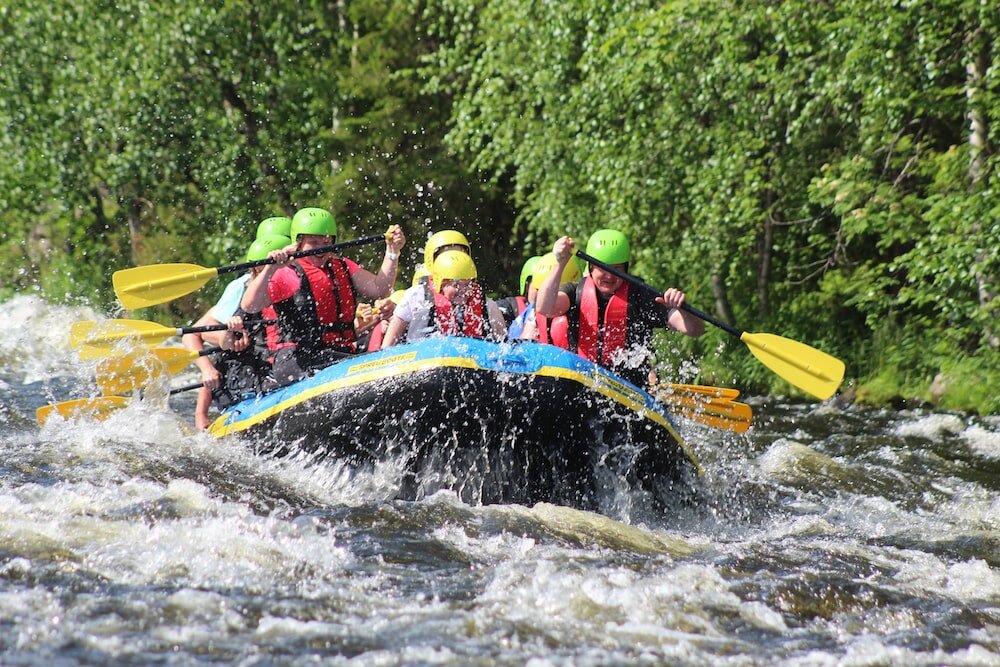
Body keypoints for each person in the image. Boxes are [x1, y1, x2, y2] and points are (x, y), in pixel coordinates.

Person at [240, 207, 405, 387]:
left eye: (326, 242)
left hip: (338, 352)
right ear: (299, 243)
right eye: (314, 242)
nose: (321, 249)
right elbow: (250, 305)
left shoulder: (343, 266)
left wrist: (392, 252)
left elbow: (380, 289)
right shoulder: (287, 272)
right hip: (297, 357)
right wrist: (271, 268)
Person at [534, 229, 704, 386]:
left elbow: (694, 329)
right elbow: (545, 307)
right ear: (591, 269)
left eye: (616, 269)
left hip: (629, 389)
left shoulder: (641, 297)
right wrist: (560, 264)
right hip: (584, 385)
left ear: (626, 270)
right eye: (602, 268)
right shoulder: (575, 292)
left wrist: (681, 308)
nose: (609, 275)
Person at [183, 233, 291, 429]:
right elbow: (196, 333)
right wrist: (201, 412)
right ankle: (201, 415)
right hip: (243, 367)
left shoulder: (298, 279)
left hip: (277, 359)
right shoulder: (241, 288)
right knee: (225, 354)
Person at [381, 250, 507, 347]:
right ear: (440, 283)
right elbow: (388, 343)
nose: (463, 290)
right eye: (456, 284)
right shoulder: (416, 296)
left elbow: (503, 344)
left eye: (468, 284)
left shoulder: (488, 305)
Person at [512, 252, 581, 346]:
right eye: (539, 291)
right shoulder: (534, 311)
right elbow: (525, 344)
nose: (544, 299)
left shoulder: (578, 299)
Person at [496, 255, 542, 327]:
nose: (545, 292)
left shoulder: (558, 311)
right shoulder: (509, 307)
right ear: (527, 286)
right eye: (539, 286)